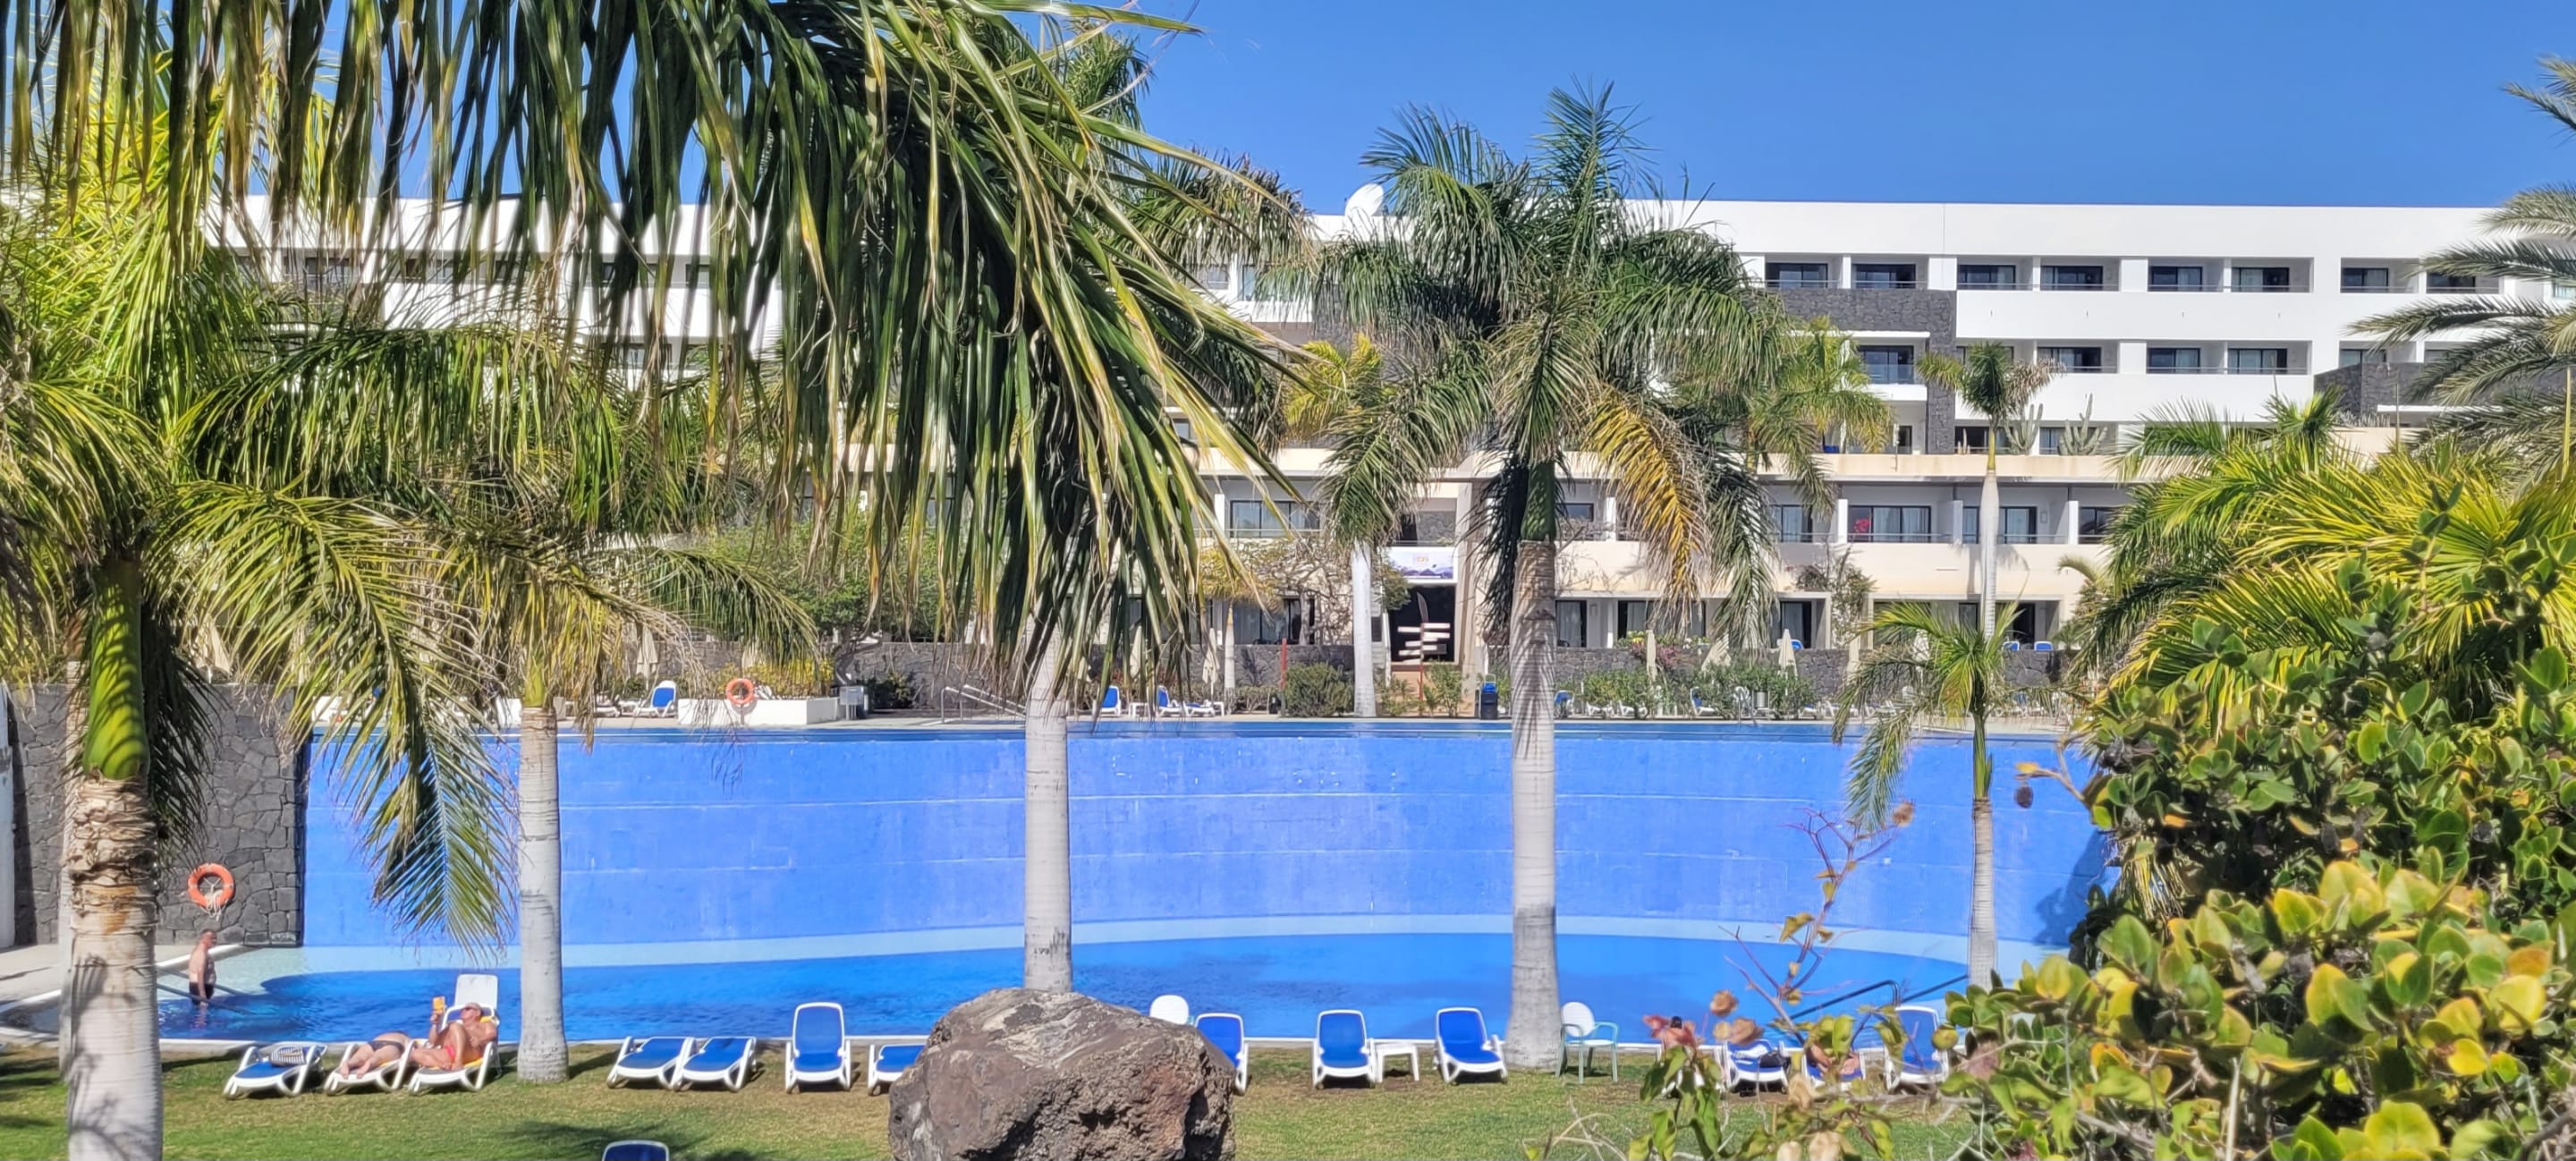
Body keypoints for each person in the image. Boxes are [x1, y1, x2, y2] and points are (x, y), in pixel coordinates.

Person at [410, 1004, 497, 1072]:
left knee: (454, 1026)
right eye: (462, 1010)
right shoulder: (454, 1027)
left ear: (478, 1013)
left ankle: (458, 1062)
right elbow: (433, 1042)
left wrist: (480, 1040)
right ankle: (443, 1065)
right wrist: (435, 1024)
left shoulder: (485, 1024)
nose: (463, 1011)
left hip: (471, 1050)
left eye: (467, 1009)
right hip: (448, 1054)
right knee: (415, 1053)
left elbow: (492, 1035)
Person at [336, 1031, 413, 1079]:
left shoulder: (384, 1034)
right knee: (378, 1057)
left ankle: (349, 1063)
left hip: (372, 1043)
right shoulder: (405, 1037)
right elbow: (411, 1050)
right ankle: (370, 1063)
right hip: (393, 1044)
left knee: (359, 1058)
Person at [185, 931, 217, 1005]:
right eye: (211, 938)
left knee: (201, 1009)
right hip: (199, 988)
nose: (214, 940)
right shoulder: (201, 952)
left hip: (202, 987)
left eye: (215, 938)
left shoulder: (202, 951)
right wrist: (203, 997)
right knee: (202, 1010)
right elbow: (200, 972)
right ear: (203, 938)